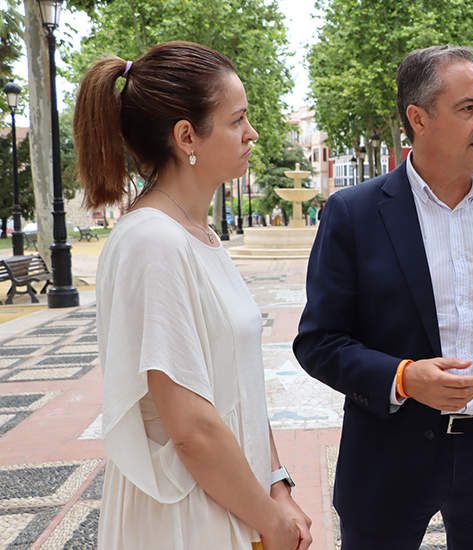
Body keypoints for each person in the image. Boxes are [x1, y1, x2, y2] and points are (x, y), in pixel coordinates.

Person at [293, 45, 473, 550]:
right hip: (387, 456)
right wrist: (404, 378)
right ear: (419, 118)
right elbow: (319, 341)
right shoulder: (354, 214)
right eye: (468, 108)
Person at [74, 41, 312, 550]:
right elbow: (191, 428)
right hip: (184, 516)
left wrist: (278, 484)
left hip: (231, 499)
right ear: (187, 136)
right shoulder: (154, 243)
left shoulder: (198, 236)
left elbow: (240, 385)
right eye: (237, 120)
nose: (252, 134)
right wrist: (270, 520)